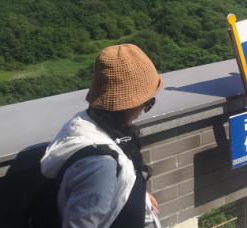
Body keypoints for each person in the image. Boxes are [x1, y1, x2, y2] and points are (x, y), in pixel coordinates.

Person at [41, 44, 163, 228]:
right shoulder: (100, 166)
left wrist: (133, 192)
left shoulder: (86, 123)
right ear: (126, 104)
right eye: (148, 102)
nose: (145, 109)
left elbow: (104, 192)